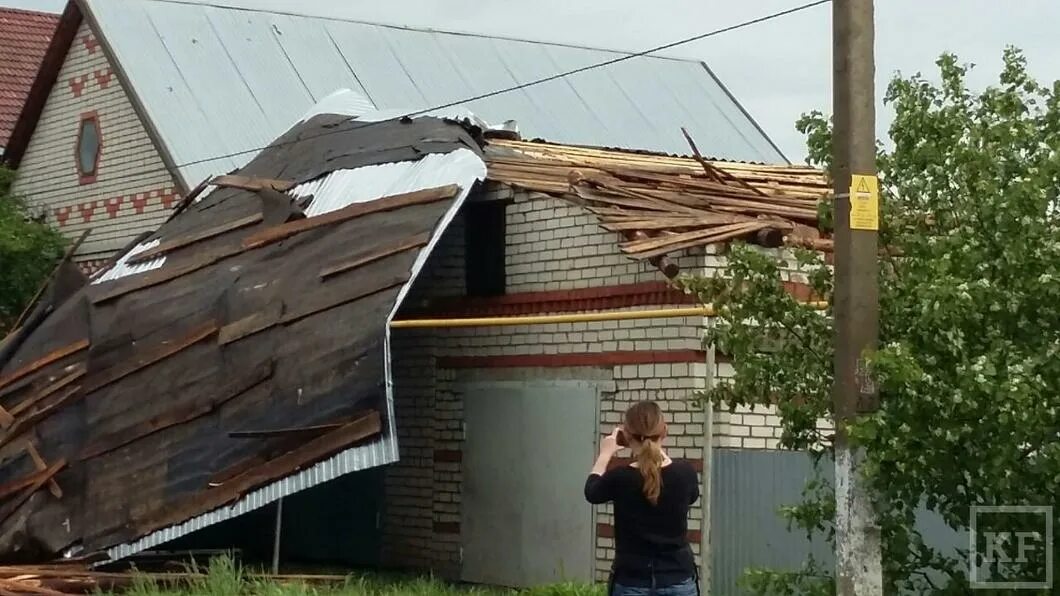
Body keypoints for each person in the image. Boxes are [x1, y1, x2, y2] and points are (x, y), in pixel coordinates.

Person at [584, 401, 700, 596]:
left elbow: (591, 492)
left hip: (632, 579)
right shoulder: (685, 473)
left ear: (626, 437)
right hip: (677, 578)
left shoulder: (620, 477)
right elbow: (691, 497)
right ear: (665, 431)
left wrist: (605, 453)